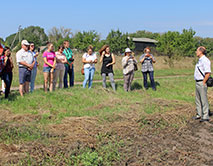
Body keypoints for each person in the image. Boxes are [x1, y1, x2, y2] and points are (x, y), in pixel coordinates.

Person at [193, 46, 211, 122]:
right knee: (198, 99)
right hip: (197, 82)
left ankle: (205, 116)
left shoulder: (205, 60)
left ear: (201, 51)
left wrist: (203, 82)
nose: (196, 52)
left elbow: (208, 73)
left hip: (201, 82)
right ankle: (199, 114)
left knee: (203, 99)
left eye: (197, 51)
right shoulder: (200, 60)